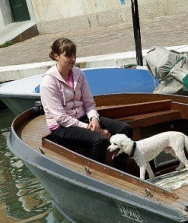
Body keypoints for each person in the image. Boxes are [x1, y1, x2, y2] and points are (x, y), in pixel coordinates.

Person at [40, 38, 132, 170]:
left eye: (74, 54)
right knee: (100, 139)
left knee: (125, 129)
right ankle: (97, 176)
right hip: (61, 127)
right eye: (68, 55)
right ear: (56, 56)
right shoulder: (48, 82)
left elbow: (89, 103)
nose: (72, 59)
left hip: (82, 118)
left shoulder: (79, 74)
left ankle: (120, 171)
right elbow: (61, 118)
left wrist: (94, 118)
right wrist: (94, 129)